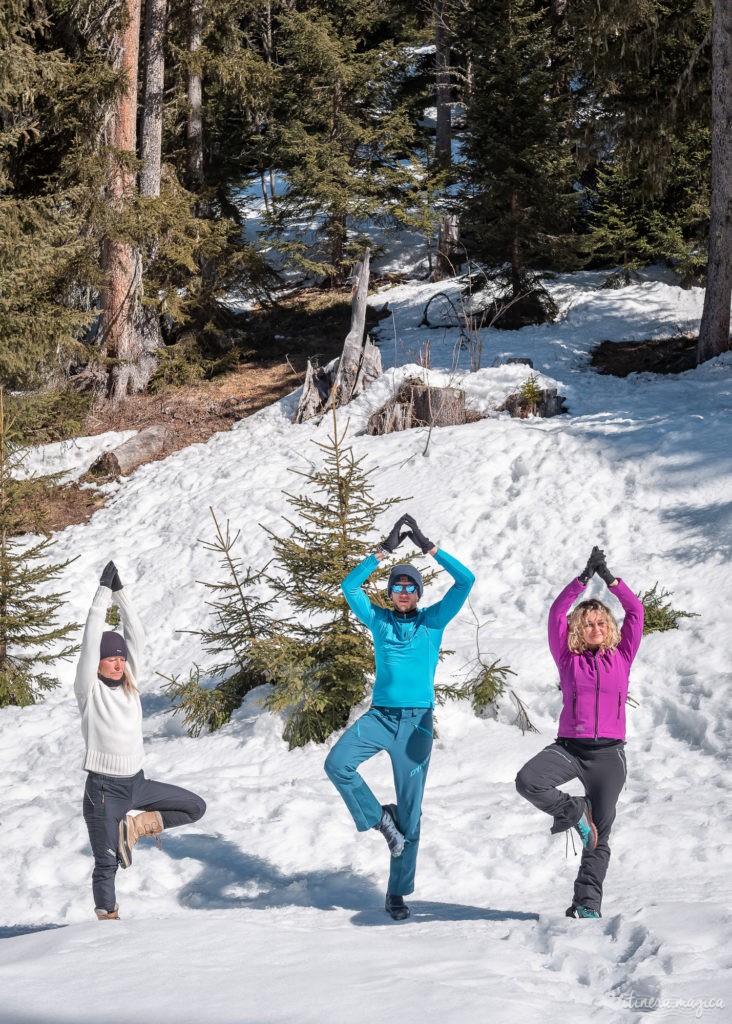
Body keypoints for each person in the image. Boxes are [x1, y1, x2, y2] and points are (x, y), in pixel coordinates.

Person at [324, 513, 475, 920]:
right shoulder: (379, 620)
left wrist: (430, 548)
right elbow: (350, 586)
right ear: (390, 593)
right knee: (337, 764)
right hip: (380, 719)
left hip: (417, 724)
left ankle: (397, 892)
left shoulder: (432, 622)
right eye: (398, 586)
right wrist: (382, 552)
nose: (404, 591)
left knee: (412, 810)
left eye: (410, 586)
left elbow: (466, 582)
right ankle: (378, 819)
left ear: (419, 592)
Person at [515, 546, 644, 918]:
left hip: (609, 755)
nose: (595, 628)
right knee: (528, 781)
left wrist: (612, 581)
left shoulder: (622, 655)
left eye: (601, 623)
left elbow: (636, 611)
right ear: (578, 629)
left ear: (610, 628)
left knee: (600, 835)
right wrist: (583, 581)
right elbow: (557, 612)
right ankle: (574, 810)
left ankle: (586, 904)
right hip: (570, 749)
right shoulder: (567, 658)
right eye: (587, 623)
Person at [75, 561, 206, 920]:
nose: (117, 664)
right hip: (103, 790)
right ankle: (108, 921)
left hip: (137, 783)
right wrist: (102, 594)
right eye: (110, 659)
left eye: (120, 658)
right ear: (97, 663)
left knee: (194, 807)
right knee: (106, 863)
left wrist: (122, 593)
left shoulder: (131, 683)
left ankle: (134, 827)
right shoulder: (88, 690)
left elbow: (137, 634)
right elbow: (90, 641)